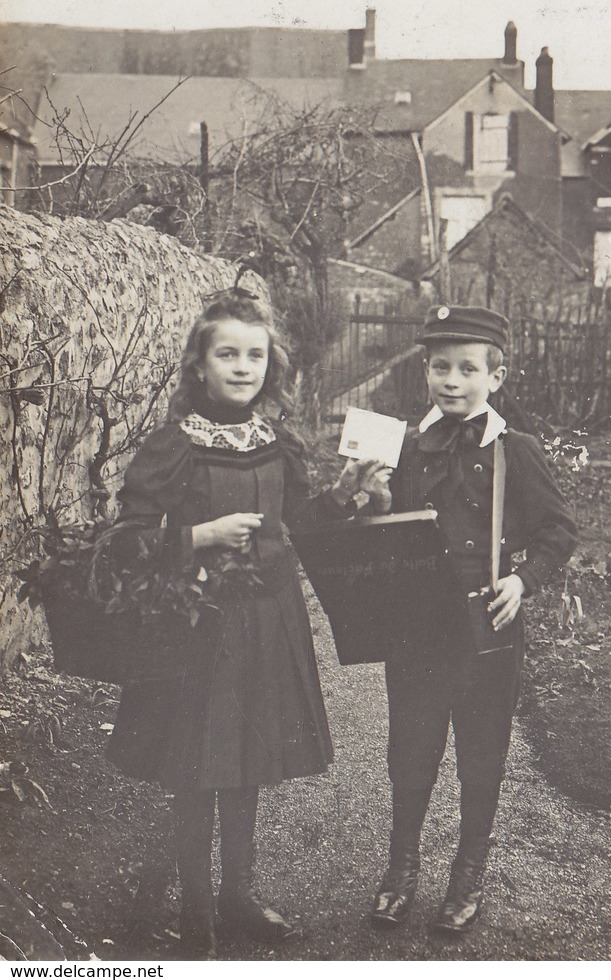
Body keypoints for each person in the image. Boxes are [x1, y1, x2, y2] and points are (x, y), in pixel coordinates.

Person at [105, 289, 387, 958]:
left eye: (254, 355)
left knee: (247, 762)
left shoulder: (278, 440)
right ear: (197, 366)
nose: (242, 366)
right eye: (226, 353)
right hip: (196, 625)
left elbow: (301, 523)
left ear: (271, 365)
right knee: (197, 766)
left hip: (266, 621)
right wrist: (200, 534)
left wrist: (346, 495)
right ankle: (196, 911)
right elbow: (127, 541)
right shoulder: (172, 447)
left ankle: (238, 895)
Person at [369, 305, 578, 935]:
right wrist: (370, 497)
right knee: (411, 750)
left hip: (487, 629)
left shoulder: (517, 451)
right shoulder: (403, 444)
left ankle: (466, 878)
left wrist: (523, 579)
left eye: (466, 368)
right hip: (416, 629)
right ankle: (400, 871)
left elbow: (558, 532)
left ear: (497, 376)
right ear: (425, 372)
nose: (451, 380)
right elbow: (379, 529)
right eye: (439, 367)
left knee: (480, 755)